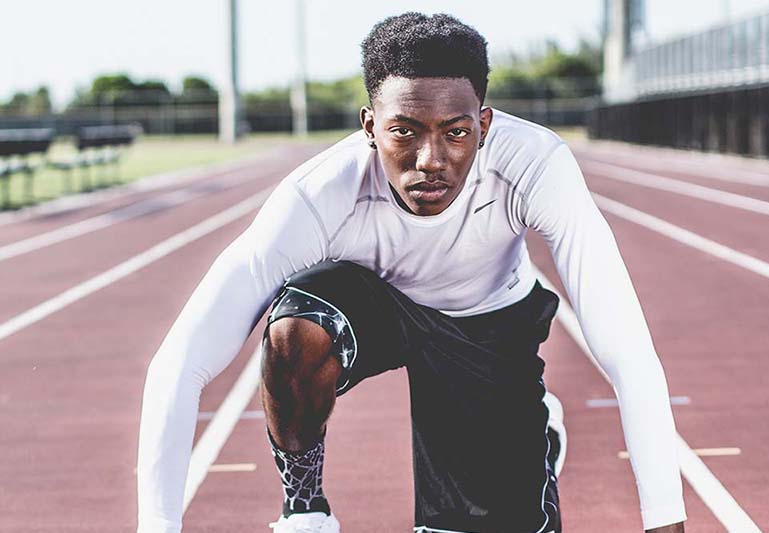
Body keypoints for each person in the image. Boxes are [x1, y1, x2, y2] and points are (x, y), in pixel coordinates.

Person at [137, 12, 687, 533]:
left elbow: (628, 353)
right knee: (295, 328)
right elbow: (180, 364)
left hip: (487, 329)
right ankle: (304, 511)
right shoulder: (320, 195)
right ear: (370, 127)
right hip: (378, 309)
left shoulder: (535, 165)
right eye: (404, 131)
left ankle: (532, 425)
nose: (430, 159)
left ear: (484, 125)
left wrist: (665, 519)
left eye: (456, 132)